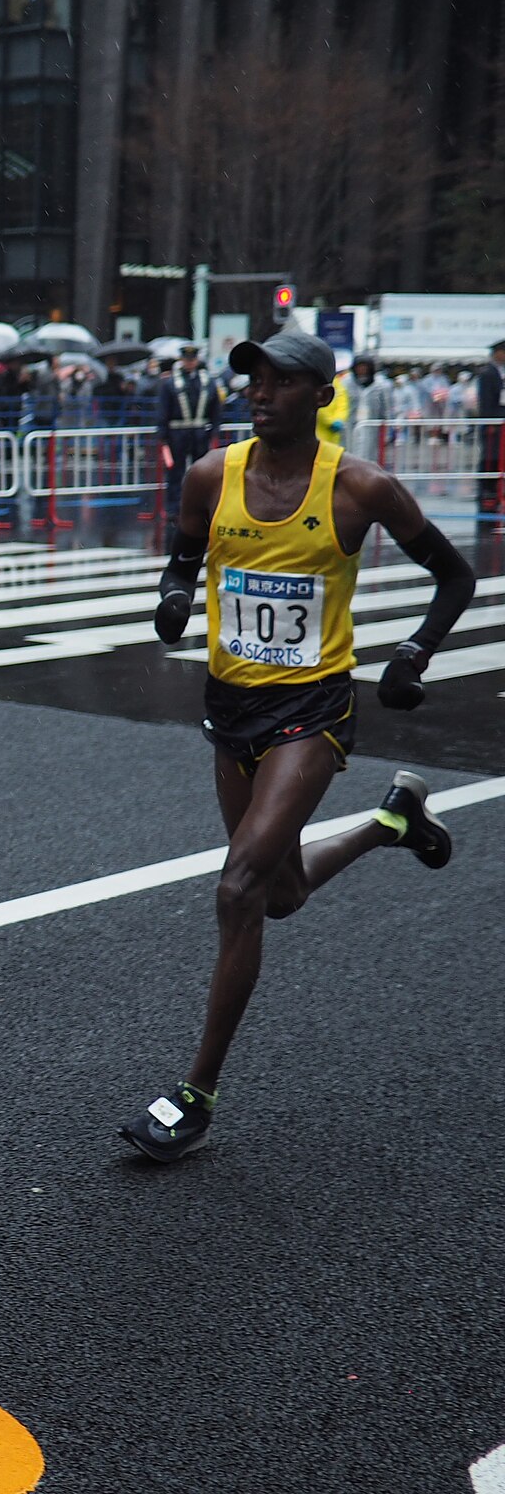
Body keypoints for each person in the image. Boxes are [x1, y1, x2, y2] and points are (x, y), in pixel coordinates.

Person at [124, 331, 475, 1163]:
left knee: (239, 887)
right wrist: (175, 598)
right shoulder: (212, 475)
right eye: (254, 379)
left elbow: (454, 576)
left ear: (321, 395)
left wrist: (413, 654)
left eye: (282, 382)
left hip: (312, 710)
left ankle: (194, 1096)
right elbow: (182, 560)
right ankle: (392, 822)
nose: (260, 392)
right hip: (229, 707)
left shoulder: (361, 489)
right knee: (278, 893)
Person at [156, 343, 223, 519]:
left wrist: (215, 429)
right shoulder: (170, 383)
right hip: (177, 433)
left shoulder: (207, 381)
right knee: (175, 472)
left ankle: (200, 504)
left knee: (201, 471)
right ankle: (174, 506)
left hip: (200, 432)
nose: (190, 363)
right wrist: (162, 435)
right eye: (187, 359)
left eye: (192, 359)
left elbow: (215, 408)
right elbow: (164, 409)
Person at [474, 338, 505, 521]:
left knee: (500, 457)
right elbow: (485, 401)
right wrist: (490, 422)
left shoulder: (499, 373)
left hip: (501, 420)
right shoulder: (488, 373)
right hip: (493, 423)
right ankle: (487, 491)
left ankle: (496, 490)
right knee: (489, 458)